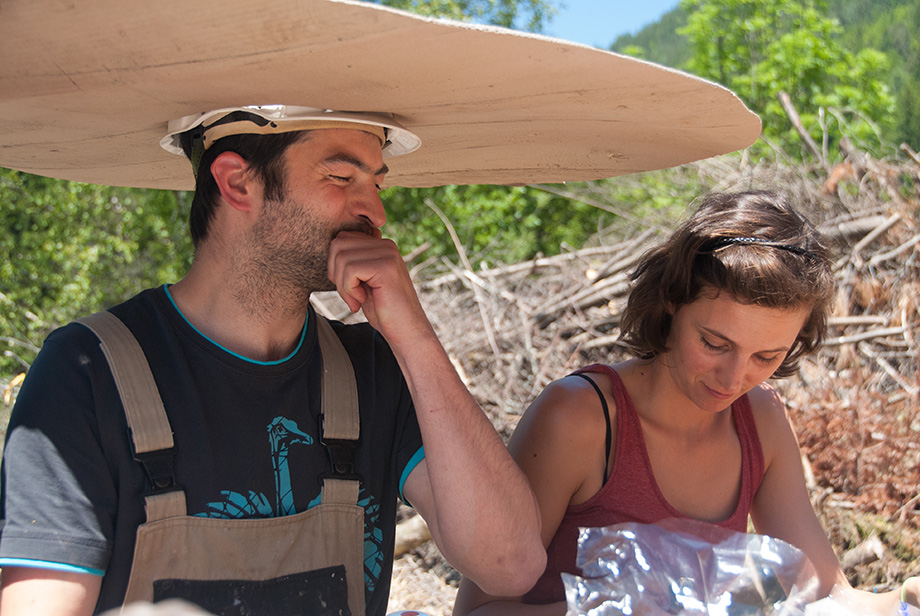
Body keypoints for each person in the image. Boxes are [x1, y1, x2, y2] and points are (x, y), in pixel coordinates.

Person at [0, 106, 545, 616]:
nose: (375, 212)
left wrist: (415, 337)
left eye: (376, 183)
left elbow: (510, 565)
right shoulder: (87, 373)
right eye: (341, 178)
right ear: (238, 182)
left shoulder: (371, 372)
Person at [453, 191, 920, 615]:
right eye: (715, 343)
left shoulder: (761, 419)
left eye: (767, 356)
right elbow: (479, 610)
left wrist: (902, 600)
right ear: (673, 301)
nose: (735, 378)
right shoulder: (580, 419)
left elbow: (825, 597)